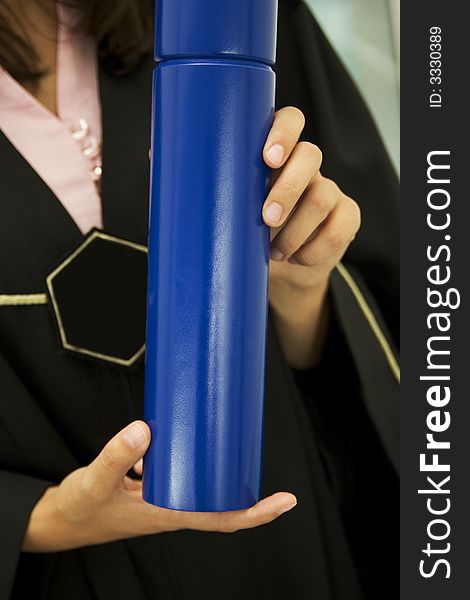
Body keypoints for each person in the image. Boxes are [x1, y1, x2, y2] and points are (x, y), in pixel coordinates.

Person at [0, 0, 399, 598]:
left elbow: (381, 324)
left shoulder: (232, 15)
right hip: (66, 577)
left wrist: (301, 284)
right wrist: (49, 518)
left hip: (281, 548)